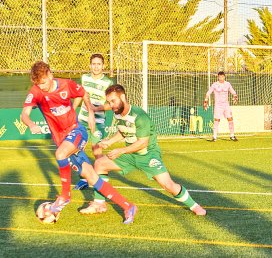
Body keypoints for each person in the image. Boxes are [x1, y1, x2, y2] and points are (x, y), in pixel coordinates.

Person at [21, 61, 137, 224]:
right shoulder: (36, 91)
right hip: (62, 140)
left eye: (44, 83)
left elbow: (84, 94)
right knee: (91, 176)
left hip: (77, 131)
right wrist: (31, 124)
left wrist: (90, 112)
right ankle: (128, 206)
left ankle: (65, 196)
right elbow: (24, 114)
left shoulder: (66, 85)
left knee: (60, 154)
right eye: (39, 84)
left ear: (50, 74)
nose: (42, 87)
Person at [79, 84, 206, 216]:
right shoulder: (118, 114)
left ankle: (194, 206)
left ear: (122, 97)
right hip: (130, 154)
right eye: (109, 102)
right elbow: (124, 131)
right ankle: (99, 204)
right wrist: (109, 141)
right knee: (100, 164)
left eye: (113, 101)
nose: (111, 105)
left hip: (148, 155)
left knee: (169, 185)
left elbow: (142, 143)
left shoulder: (139, 116)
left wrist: (121, 150)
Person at [72, 54, 113, 190]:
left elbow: (110, 104)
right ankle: (84, 179)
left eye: (99, 64)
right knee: (78, 149)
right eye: (94, 64)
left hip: (98, 122)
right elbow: (79, 95)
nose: (96, 67)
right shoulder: (84, 78)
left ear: (103, 66)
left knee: (97, 151)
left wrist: (97, 108)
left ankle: (102, 182)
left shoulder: (108, 83)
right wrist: (72, 110)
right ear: (90, 65)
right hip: (82, 120)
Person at [203, 71, 238, 142]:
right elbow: (208, 93)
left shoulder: (227, 84)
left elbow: (233, 92)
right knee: (216, 120)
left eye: (222, 76)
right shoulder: (215, 85)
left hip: (226, 105)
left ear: (224, 77)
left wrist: (235, 97)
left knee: (230, 119)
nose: (221, 78)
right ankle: (214, 137)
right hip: (218, 106)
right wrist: (205, 101)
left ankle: (232, 136)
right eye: (220, 77)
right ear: (218, 77)